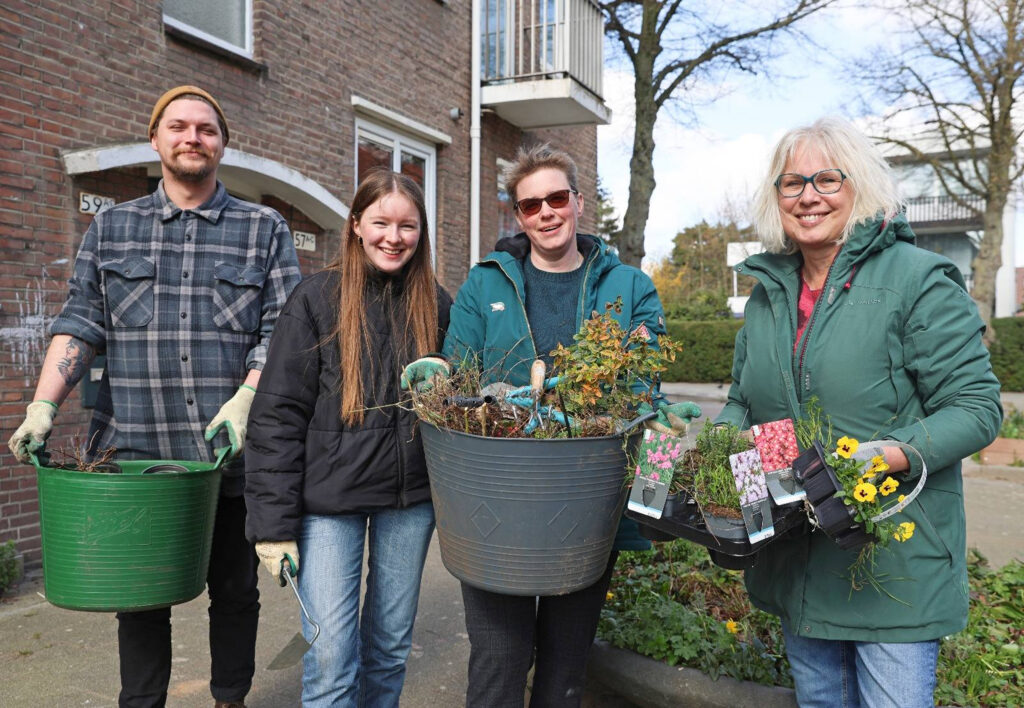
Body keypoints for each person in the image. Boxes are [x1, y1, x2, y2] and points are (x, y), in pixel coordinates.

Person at [7, 85, 301, 708]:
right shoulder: (113, 227)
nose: (192, 137)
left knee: (235, 590)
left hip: (228, 455)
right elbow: (82, 320)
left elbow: (283, 329)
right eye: (179, 126)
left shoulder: (263, 229)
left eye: (206, 128)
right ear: (156, 139)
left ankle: (229, 699)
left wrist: (247, 398)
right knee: (139, 597)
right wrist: (43, 406)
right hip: (137, 451)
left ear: (222, 143)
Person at [715, 117, 1002, 707]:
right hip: (798, 557)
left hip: (892, 562)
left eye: (826, 178)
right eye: (791, 183)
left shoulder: (916, 280)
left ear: (860, 185)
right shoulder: (768, 294)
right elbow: (746, 403)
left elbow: (975, 406)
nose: (808, 196)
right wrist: (721, 458)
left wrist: (889, 454)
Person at [403, 143, 700, 708]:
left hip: (583, 499)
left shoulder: (629, 288)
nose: (546, 212)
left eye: (556, 198)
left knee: (566, 666)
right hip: (498, 497)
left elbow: (643, 385)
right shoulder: (486, 283)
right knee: (498, 660)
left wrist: (656, 431)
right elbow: (459, 368)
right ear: (518, 215)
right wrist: (435, 374)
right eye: (530, 203)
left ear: (578, 202)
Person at [244, 168, 452, 707]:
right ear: (357, 225)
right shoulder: (316, 300)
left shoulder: (438, 306)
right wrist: (273, 526)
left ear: (421, 232)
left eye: (408, 226)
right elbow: (277, 415)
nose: (394, 237)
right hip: (327, 506)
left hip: (408, 505)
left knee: (387, 649)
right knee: (332, 654)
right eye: (381, 222)